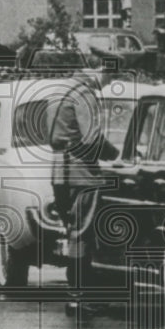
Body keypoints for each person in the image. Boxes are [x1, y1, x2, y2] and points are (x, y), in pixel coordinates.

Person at [49, 67, 119, 314]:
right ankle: (80, 297)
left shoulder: (60, 89)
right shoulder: (84, 93)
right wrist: (116, 154)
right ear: (100, 71)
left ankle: (80, 294)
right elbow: (91, 139)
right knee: (83, 235)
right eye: (110, 77)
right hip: (81, 173)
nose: (108, 83)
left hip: (60, 170)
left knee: (74, 232)